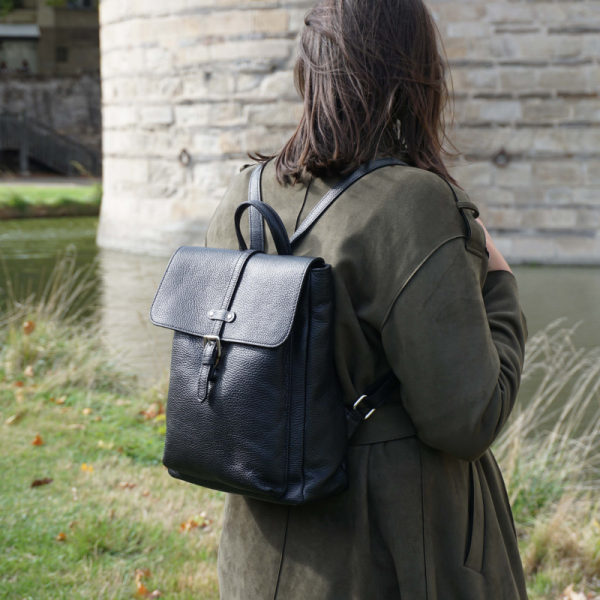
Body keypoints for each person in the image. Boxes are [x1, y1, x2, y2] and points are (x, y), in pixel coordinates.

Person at [204, 0, 529, 598]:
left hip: (259, 554)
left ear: (312, 70)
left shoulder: (243, 192)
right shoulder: (411, 203)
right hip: (390, 556)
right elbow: (468, 420)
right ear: (413, 73)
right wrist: (500, 286)